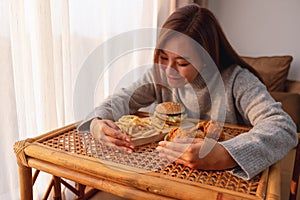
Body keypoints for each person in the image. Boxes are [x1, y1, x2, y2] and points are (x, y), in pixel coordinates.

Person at [77, 4, 297, 180]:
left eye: (182, 62)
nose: (168, 70)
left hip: (222, 182)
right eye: (163, 58)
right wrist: (98, 122)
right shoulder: (159, 76)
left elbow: (282, 127)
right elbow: (122, 99)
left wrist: (225, 154)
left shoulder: (237, 81)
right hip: (168, 177)